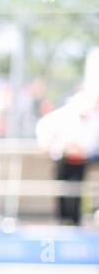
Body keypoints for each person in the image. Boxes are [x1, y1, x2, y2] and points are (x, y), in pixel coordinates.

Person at [35, 49, 99, 225]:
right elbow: (45, 129)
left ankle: (75, 220)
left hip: (83, 159)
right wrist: (60, 147)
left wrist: (83, 151)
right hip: (63, 157)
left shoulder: (94, 119)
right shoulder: (63, 116)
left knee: (78, 190)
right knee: (63, 189)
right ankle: (64, 220)